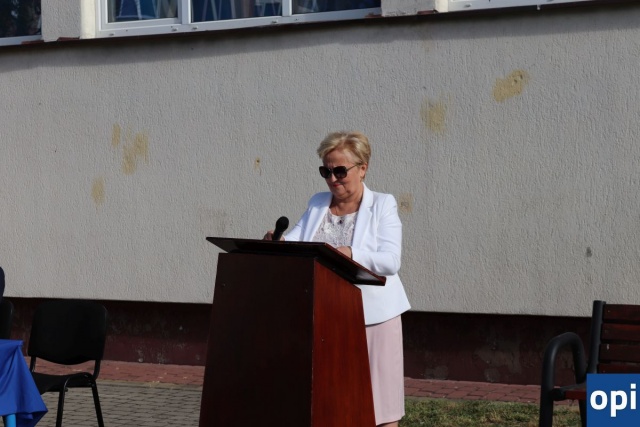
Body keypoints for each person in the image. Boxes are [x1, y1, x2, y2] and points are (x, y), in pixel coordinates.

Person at [264, 131, 411, 427]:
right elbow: (297, 241)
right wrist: (278, 242)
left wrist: (350, 253)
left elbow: (391, 260)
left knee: (381, 407)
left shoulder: (383, 204)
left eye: (340, 171)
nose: (333, 179)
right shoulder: (318, 203)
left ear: (363, 168)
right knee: (336, 401)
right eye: (326, 171)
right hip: (327, 317)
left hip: (374, 318)